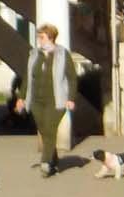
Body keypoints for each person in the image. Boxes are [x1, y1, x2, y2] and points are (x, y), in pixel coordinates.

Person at [13, 23, 79, 177]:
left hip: (56, 100)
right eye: (38, 37)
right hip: (36, 101)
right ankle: (53, 161)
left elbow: (72, 78)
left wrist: (71, 98)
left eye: (42, 37)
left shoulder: (62, 54)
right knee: (44, 131)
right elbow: (28, 78)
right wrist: (21, 98)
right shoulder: (34, 55)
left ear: (51, 38)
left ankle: (45, 162)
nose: (39, 40)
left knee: (50, 129)